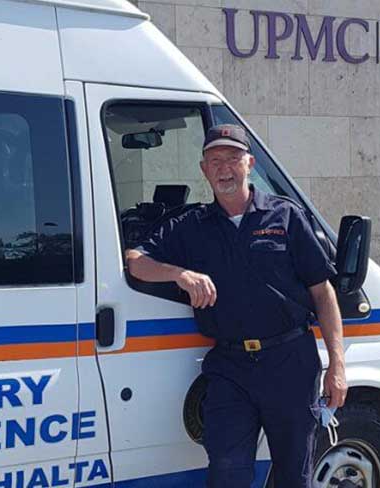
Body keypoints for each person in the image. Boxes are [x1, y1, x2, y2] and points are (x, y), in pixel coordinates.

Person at [125, 124, 347, 487]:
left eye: (232, 158)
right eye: (214, 161)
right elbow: (136, 260)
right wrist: (179, 273)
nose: (223, 168)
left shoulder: (285, 217)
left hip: (290, 363)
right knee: (227, 472)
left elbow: (323, 293)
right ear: (203, 169)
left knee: (295, 475)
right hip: (230, 368)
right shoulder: (192, 225)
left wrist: (337, 364)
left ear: (250, 164)